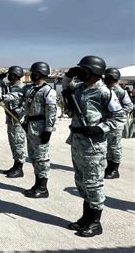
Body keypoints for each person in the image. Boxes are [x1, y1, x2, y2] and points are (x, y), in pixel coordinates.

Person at [62, 56, 124, 237]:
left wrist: (100, 128)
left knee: (93, 183)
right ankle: (86, 217)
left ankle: (96, 223)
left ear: (94, 72)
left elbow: (119, 117)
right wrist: (68, 75)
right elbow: (66, 87)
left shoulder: (105, 92)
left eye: (83, 70)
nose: (80, 72)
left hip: (93, 145)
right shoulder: (80, 88)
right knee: (81, 181)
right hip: (78, 141)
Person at [21, 62, 57, 199]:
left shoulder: (48, 91)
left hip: (40, 126)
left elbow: (51, 111)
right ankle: (37, 184)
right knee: (33, 156)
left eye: (33, 72)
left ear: (40, 73)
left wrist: (48, 130)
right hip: (30, 125)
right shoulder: (31, 89)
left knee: (42, 158)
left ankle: (43, 187)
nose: (31, 75)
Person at [102, 68, 133, 179]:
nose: (104, 79)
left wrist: (117, 113)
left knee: (114, 147)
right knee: (107, 146)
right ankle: (109, 167)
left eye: (107, 77)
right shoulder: (104, 89)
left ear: (113, 78)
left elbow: (129, 106)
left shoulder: (120, 91)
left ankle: (114, 169)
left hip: (116, 124)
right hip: (106, 123)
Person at [1, 66, 27, 178]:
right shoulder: (10, 86)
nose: (9, 76)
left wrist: (18, 111)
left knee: (19, 143)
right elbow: (1, 85)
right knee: (13, 143)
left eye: (11, 74)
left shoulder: (23, 88)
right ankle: (15, 164)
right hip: (10, 119)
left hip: (18, 120)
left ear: (16, 75)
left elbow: (24, 102)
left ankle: (19, 168)